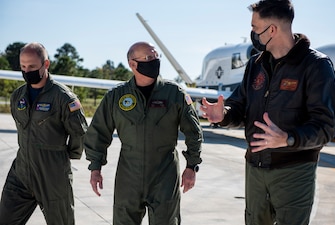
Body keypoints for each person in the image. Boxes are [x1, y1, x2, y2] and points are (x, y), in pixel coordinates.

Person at [200, 1, 335, 225]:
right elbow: (239, 106)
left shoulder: (316, 65)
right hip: (255, 169)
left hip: (294, 172)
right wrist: (223, 114)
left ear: (271, 30)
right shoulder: (255, 64)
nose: (253, 33)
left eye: (255, 28)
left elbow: (326, 127)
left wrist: (288, 138)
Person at [84, 41, 202, 225]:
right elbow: (98, 133)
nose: (154, 61)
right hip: (128, 177)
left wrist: (192, 166)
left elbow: (194, 132)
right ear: (132, 64)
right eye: (148, 58)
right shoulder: (116, 97)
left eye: (156, 56)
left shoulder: (174, 94)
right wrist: (95, 167)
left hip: (165, 176)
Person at [0, 42, 88, 225]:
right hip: (22, 172)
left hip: (53, 175)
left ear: (45, 64)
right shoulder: (18, 96)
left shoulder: (63, 97)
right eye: (23, 67)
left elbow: (79, 132)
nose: (27, 71)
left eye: (32, 66)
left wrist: (66, 155)